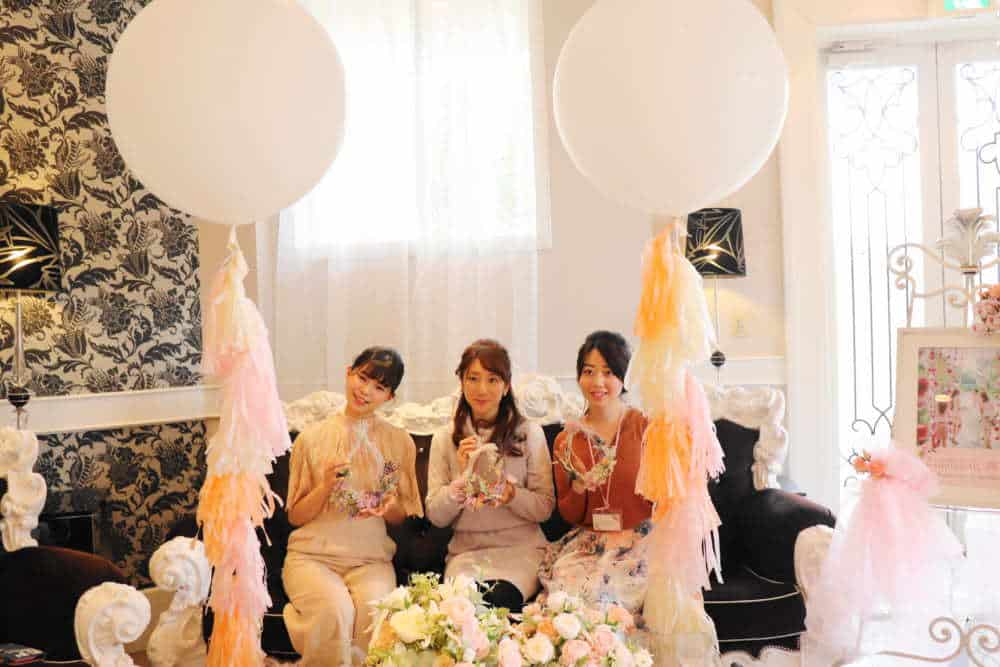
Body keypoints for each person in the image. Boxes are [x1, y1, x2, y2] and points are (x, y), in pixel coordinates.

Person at [282, 347, 423, 666]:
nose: (366, 391)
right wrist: (325, 487)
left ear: (390, 397)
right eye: (362, 378)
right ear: (348, 373)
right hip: (313, 558)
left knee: (375, 614)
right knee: (335, 611)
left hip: (370, 561)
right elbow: (296, 516)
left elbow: (398, 514)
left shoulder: (396, 443)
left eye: (379, 387)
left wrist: (387, 504)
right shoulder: (311, 439)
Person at [426, 339, 554, 612]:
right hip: (466, 554)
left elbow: (545, 507)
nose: (481, 389)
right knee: (462, 609)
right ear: (462, 382)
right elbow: (436, 516)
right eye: (473, 378)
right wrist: (463, 479)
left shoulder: (529, 434)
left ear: (506, 386)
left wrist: (509, 494)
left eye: (492, 379)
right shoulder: (444, 439)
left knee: (499, 600)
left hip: (521, 550)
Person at [539, 331, 652, 613]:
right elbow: (568, 513)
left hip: (640, 541)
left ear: (624, 378)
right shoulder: (567, 439)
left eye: (608, 372)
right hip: (591, 542)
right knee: (569, 598)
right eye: (589, 371)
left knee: (615, 599)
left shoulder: (645, 427)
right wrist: (578, 488)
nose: (597, 382)